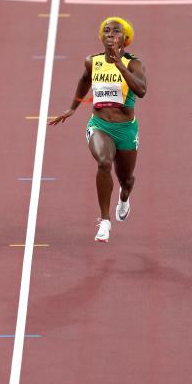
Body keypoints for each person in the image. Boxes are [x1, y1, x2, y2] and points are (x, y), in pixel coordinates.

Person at [49, 17, 147, 242]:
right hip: (99, 124)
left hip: (126, 130)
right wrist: (72, 108)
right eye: (107, 30)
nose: (111, 34)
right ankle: (104, 221)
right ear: (102, 37)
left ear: (125, 38)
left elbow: (141, 91)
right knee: (104, 162)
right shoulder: (92, 62)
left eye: (116, 31)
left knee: (127, 179)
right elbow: (84, 81)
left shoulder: (134, 63)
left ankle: (124, 198)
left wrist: (120, 66)